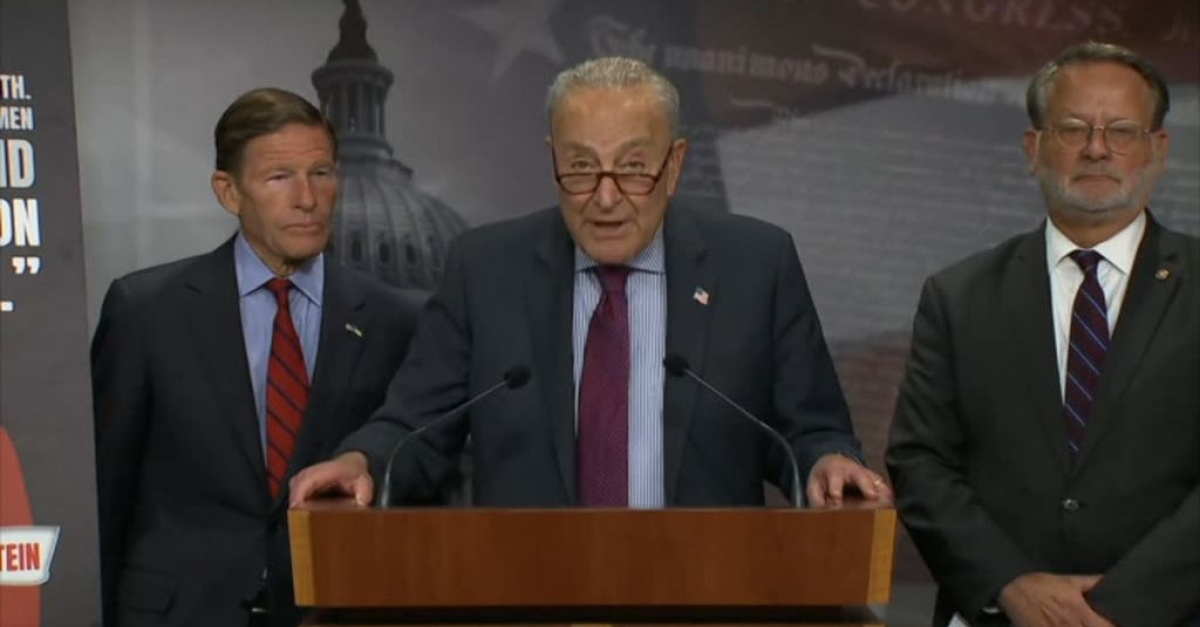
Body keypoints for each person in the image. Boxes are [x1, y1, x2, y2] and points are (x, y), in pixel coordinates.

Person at [290, 57, 890, 510]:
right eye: (580, 167)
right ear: (553, 159)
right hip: (531, 596)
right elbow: (413, 426)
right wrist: (362, 461)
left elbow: (811, 430)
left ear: (675, 165)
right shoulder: (485, 268)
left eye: (633, 167)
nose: (605, 198)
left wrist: (827, 462)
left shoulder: (755, 265)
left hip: (704, 597)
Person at [887, 41, 1198, 627]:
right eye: (1074, 129)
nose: (1097, 148)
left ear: (1158, 151)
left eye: (1122, 131)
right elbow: (921, 461)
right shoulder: (959, 295)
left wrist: (1118, 606)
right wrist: (1010, 584)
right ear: (1033, 149)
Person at [91, 88, 420, 627]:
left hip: (330, 608)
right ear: (229, 191)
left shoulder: (392, 319)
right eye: (279, 177)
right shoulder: (146, 311)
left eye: (321, 173)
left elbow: (407, 467)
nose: (307, 198)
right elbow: (106, 491)